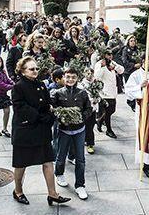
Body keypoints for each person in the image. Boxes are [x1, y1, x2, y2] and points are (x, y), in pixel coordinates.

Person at [11, 56, 70, 206]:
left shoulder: (41, 85)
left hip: (41, 130)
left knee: (48, 162)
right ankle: (18, 191)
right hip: (25, 131)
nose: (35, 71)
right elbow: (20, 107)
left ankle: (53, 194)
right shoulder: (18, 87)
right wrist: (39, 116)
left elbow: (47, 103)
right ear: (23, 71)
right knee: (21, 164)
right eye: (31, 69)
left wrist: (49, 116)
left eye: (36, 68)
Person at [50, 68, 92, 200]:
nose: (70, 80)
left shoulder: (82, 93)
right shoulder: (58, 93)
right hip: (64, 130)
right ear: (63, 77)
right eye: (68, 77)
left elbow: (88, 108)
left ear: (77, 78)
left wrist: (81, 117)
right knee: (60, 155)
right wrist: (60, 117)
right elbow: (52, 108)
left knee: (80, 159)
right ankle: (59, 174)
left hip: (79, 130)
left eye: (73, 77)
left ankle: (80, 185)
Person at [124, 53, 149, 179]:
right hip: (143, 109)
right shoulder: (135, 75)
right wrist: (140, 87)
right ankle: (147, 164)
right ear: (142, 61)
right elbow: (128, 91)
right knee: (146, 136)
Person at [94, 50, 124, 138]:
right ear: (103, 55)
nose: (110, 56)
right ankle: (109, 130)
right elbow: (97, 76)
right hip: (104, 92)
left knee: (112, 110)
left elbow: (122, 70)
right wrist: (103, 67)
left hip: (112, 91)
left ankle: (100, 120)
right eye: (108, 55)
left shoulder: (112, 63)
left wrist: (115, 67)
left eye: (111, 54)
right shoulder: (99, 64)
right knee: (107, 111)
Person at [80, 68, 99, 154]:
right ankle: (88, 142)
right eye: (87, 73)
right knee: (86, 127)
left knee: (90, 127)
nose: (89, 74)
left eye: (91, 73)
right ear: (84, 74)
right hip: (85, 109)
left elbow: (99, 94)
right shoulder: (81, 85)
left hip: (93, 109)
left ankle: (90, 144)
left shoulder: (96, 83)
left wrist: (97, 99)